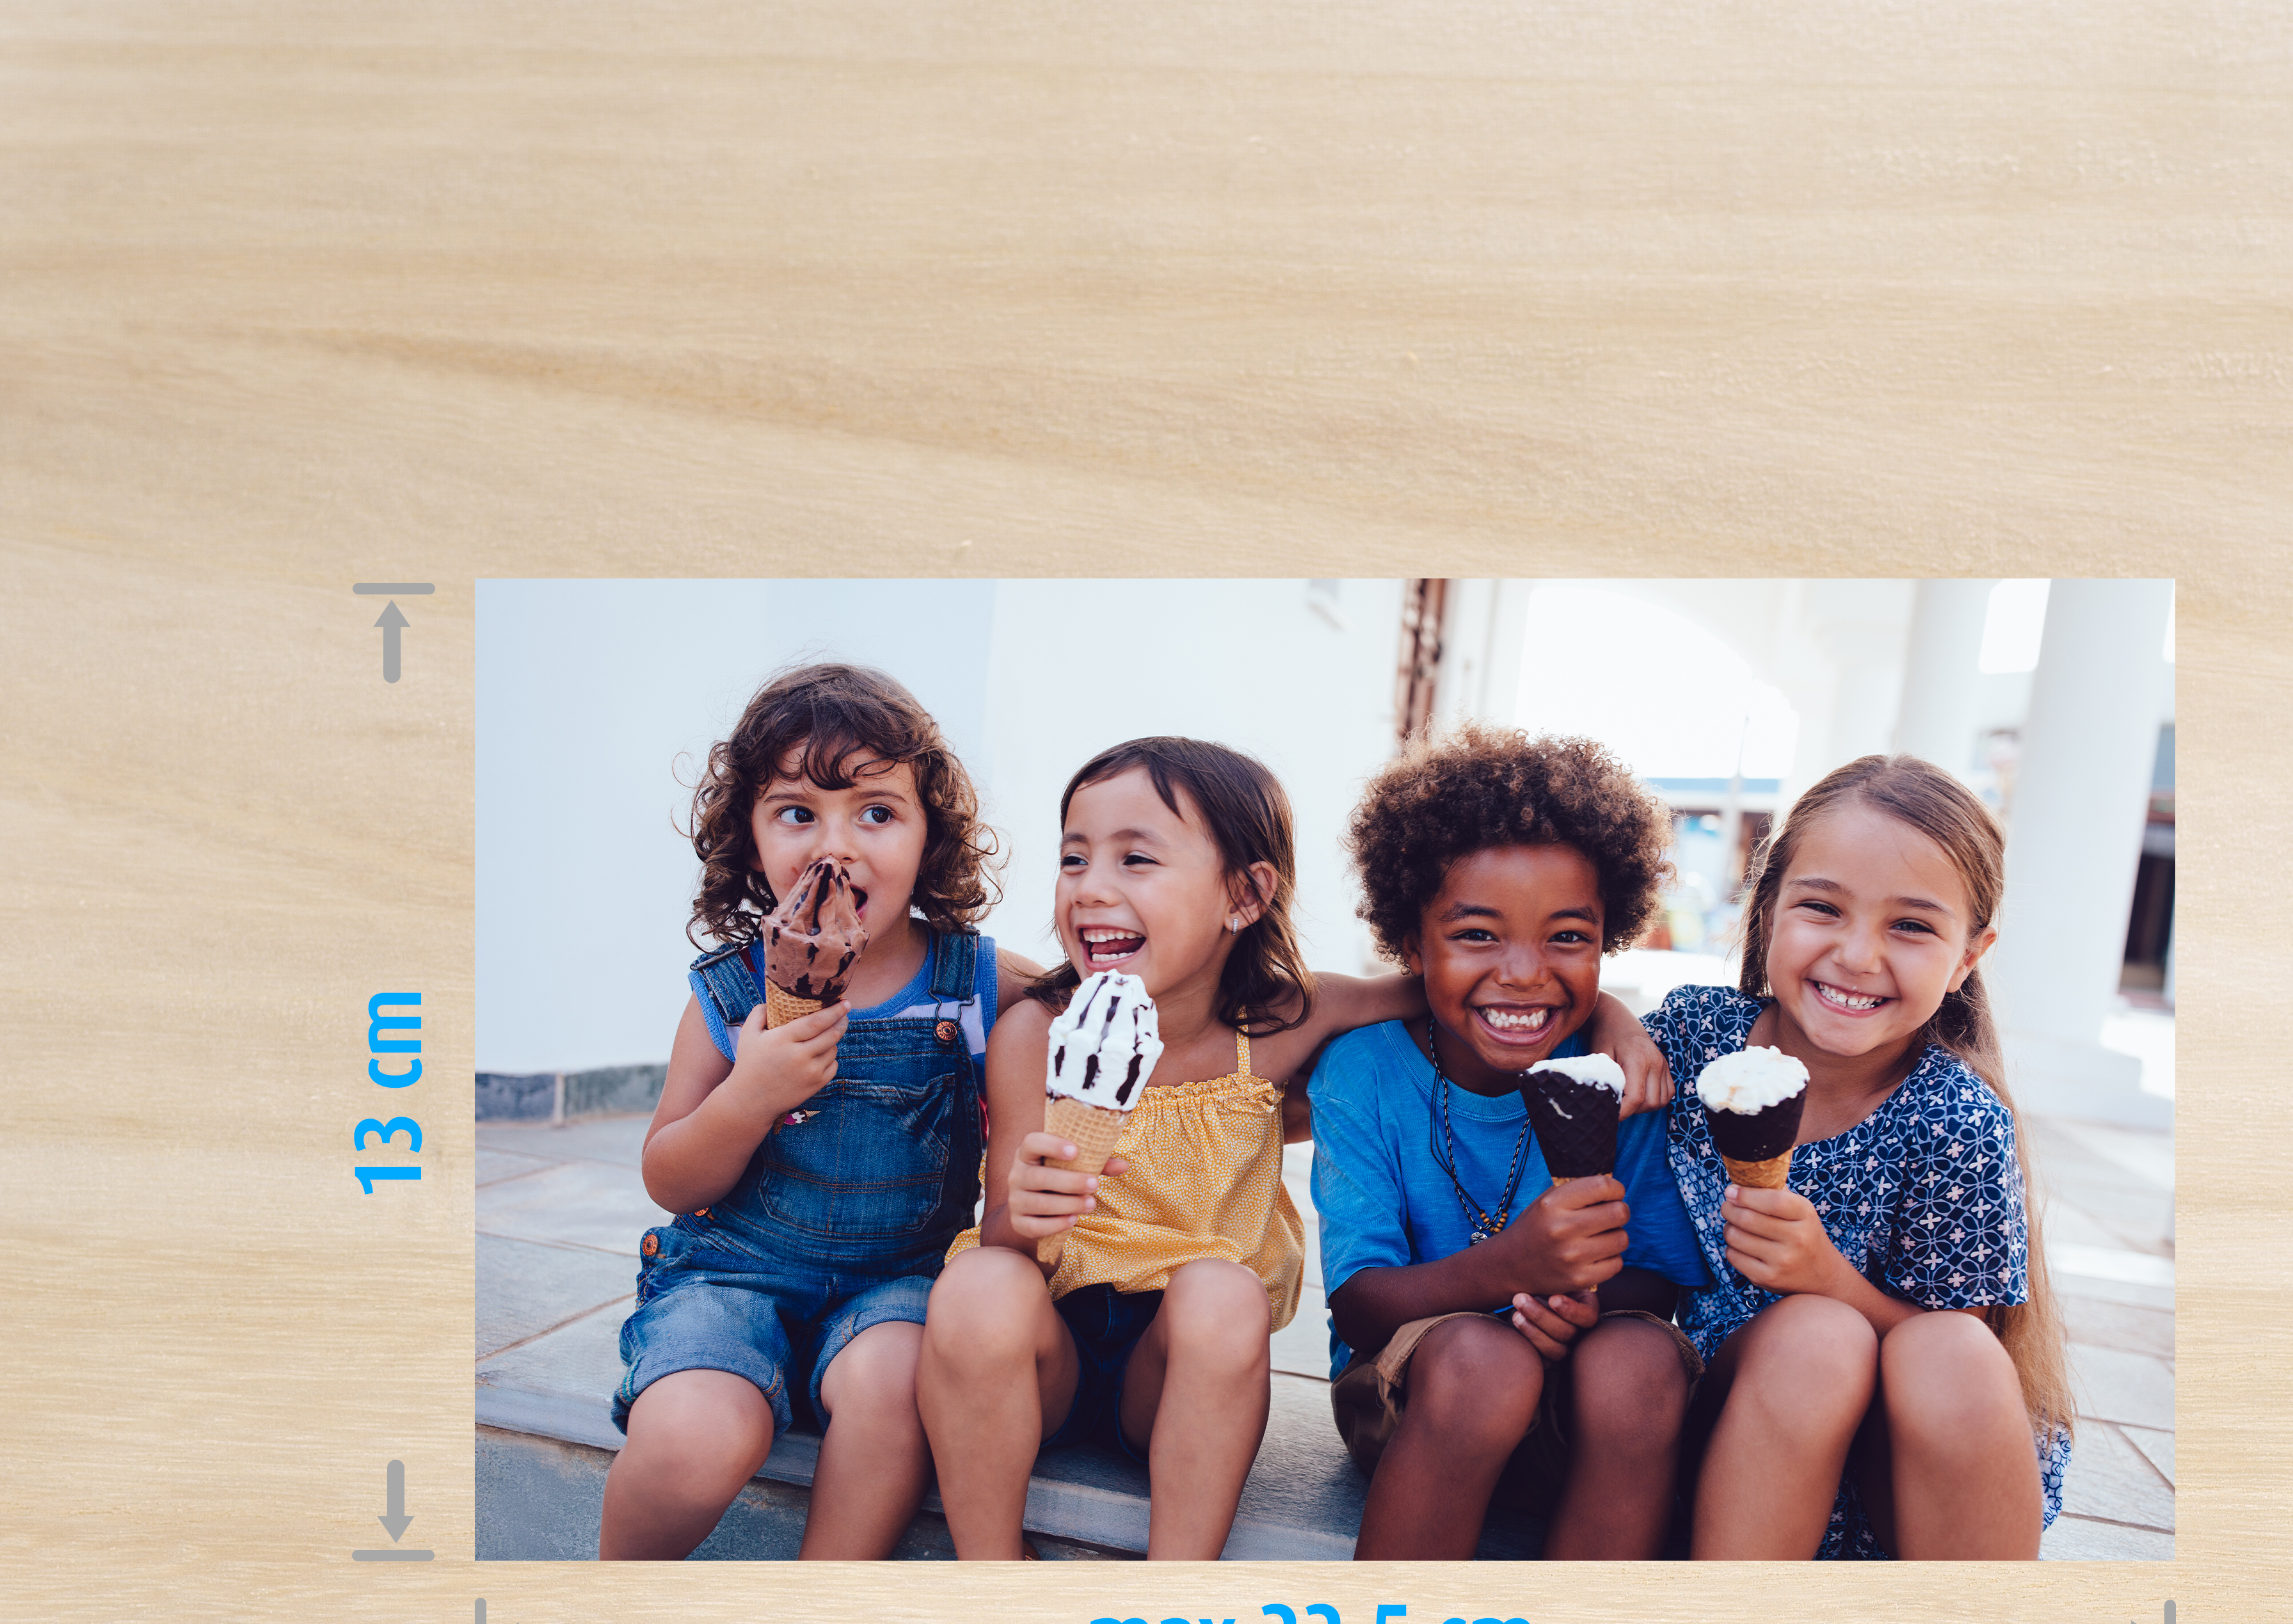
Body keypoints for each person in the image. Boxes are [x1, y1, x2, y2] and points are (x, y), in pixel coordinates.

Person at [919, 737, 1665, 1562]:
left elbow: (1466, 987)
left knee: (1223, 1294)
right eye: (1074, 858)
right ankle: (990, 1574)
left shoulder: (1282, 1025)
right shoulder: (1038, 1034)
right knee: (979, 1282)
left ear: (1245, 895)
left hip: (1178, 1367)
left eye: (1136, 860)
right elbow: (1008, 1254)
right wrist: (1025, 1218)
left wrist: (1613, 1018)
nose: (1092, 888)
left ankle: (1177, 1599)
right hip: (1044, 1352)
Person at [603, 664, 1014, 1559]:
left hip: (895, 1285)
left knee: (902, 1381)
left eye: (876, 811)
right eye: (797, 812)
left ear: (927, 835)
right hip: (728, 1275)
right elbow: (669, 1175)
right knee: (692, 1438)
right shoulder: (729, 991)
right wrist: (748, 1096)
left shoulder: (970, 981)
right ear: (750, 841)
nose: (838, 847)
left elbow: (1102, 997)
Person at [1646, 754, 2075, 1560]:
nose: (1857, 955)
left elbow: (1957, 1348)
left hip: (1893, 1485)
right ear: (1769, 909)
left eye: (1911, 925)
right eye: (1822, 908)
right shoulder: (1693, 1039)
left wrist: (1829, 1280)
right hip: (1726, 1437)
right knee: (1815, 1341)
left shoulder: (1956, 1120)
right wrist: (1605, 1021)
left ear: (1968, 957)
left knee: (1944, 1348)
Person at [1313, 730, 1709, 1560]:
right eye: (1478, 935)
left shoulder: (1623, 1079)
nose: (1525, 972)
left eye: (1567, 937)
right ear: (1411, 941)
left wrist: (1581, 1308)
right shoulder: (1365, 1074)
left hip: (1575, 1411)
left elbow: (1655, 1279)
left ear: (1609, 939)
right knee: (1483, 1362)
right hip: (1420, 1398)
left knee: (1643, 1359)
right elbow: (1358, 1302)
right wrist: (1509, 1271)